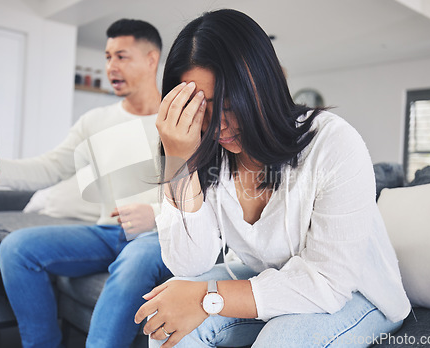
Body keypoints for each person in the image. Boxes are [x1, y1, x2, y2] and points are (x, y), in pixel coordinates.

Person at [134, 9, 411, 348]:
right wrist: (180, 161)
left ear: (263, 86)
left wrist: (208, 298)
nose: (217, 125)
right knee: (168, 322)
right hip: (278, 281)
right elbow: (189, 264)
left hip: (357, 293)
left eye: (231, 103)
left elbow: (327, 283)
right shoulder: (203, 150)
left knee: (280, 341)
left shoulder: (334, 144)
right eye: (201, 107)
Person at [0, 19, 172, 348]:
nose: (111, 66)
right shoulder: (95, 121)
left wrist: (155, 213)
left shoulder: (178, 118)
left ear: (151, 59)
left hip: (158, 236)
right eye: (107, 57)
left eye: (121, 56)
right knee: (17, 248)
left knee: (134, 261)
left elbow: (203, 192)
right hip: (108, 231)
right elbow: (52, 166)